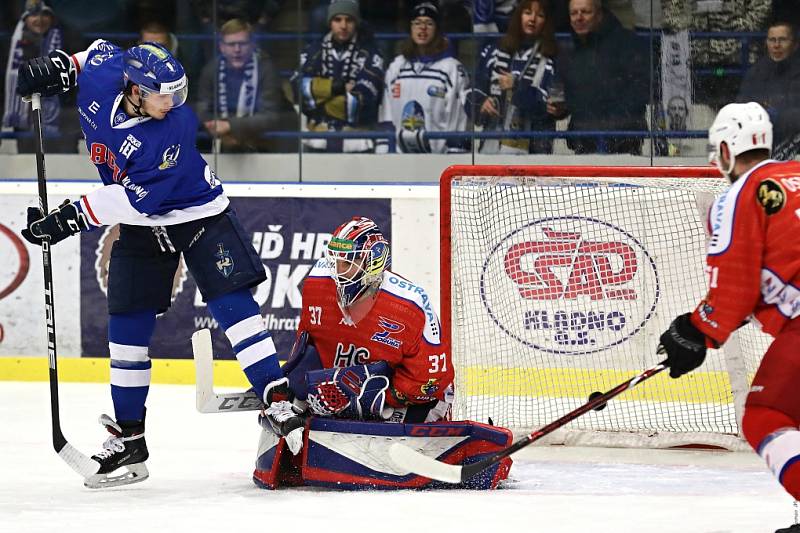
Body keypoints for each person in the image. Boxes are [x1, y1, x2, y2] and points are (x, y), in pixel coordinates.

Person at [15, 40, 286, 488]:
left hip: (196, 212)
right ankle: (128, 438)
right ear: (135, 88)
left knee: (230, 303)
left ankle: (278, 398)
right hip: (140, 222)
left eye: (177, 93)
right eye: (163, 94)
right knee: (125, 327)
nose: (173, 102)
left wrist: (65, 219)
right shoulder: (108, 72)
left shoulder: (171, 128)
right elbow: (95, 53)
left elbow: (130, 202)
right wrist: (62, 66)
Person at [252, 216, 493, 490]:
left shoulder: (409, 305)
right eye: (335, 260)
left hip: (398, 397)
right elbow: (306, 347)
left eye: (347, 262)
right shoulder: (317, 284)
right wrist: (301, 395)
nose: (338, 270)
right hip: (344, 390)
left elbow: (432, 381)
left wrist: (380, 397)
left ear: (373, 262)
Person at [656, 102, 800, 533]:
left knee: (767, 414)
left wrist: (696, 331)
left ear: (724, 147)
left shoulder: (740, 195)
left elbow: (734, 288)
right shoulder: (795, 174)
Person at [469, 0, 563, 154]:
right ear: (518, 16)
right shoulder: (494, 51)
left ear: (546, 22)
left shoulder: (551, 59)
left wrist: (518, 87)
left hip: (534, 149)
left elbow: (547, 109)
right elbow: (473, 89)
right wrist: (482, 102)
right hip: (492, 147)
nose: (532, 19)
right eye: (527, 13)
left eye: (539, 15)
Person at [376, 1, 470, 154]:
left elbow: (458, 118)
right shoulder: (397, 66)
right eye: (417, 23)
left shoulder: (451, 68)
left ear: (438, 29)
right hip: (400, 159)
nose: (422, 28)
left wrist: (455, 154)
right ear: (410, 28)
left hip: (437, 159)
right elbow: (386, 113)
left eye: (429, 23)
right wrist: (384, 150)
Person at [289, 0, 384, 153]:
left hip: (356, 144)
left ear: (357, 22)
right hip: (316, 142)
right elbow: (296, 89)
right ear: (329, 22)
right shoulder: (314, 50)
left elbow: (364, 102)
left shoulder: (371, 53)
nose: (343, 26)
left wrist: (318, 97)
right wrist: (336, 87)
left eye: (349, 20)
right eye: (337, 20)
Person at [559, 0, 648, 155]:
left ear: (599, 15)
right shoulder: (571, 51)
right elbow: (573, 98)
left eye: (585, 12)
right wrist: (561, 109)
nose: (579, 18)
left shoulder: (627, 43)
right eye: (573, 13)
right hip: (584, 140)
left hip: (622, 142)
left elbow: (640, 90)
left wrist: (607, 126)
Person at [196, 18, 288, 152]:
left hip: (262, 144)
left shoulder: (266, 69)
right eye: (231, 44)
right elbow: (202, 110)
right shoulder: (211, 70)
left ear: (252, 45)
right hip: (220, 141)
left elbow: (270, 117)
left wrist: (231, 127)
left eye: (242, 43)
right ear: (222, 47)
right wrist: (220, 131)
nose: (237, 49)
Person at [2, 0, 74, 153]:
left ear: (52, 18)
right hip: (24, 117)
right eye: (34, 15)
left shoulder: (66, 40)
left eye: (45, 15)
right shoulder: (11, 44)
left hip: (60, 119)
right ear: (25, 18)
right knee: (27, 162)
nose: (39, 20)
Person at [737, 21, 800, 159]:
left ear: (795, 44)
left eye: (782, 40)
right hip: (761, 144)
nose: (776, 45)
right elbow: (741, 107)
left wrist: (777, 116)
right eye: (772, 40)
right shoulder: (755, 72)